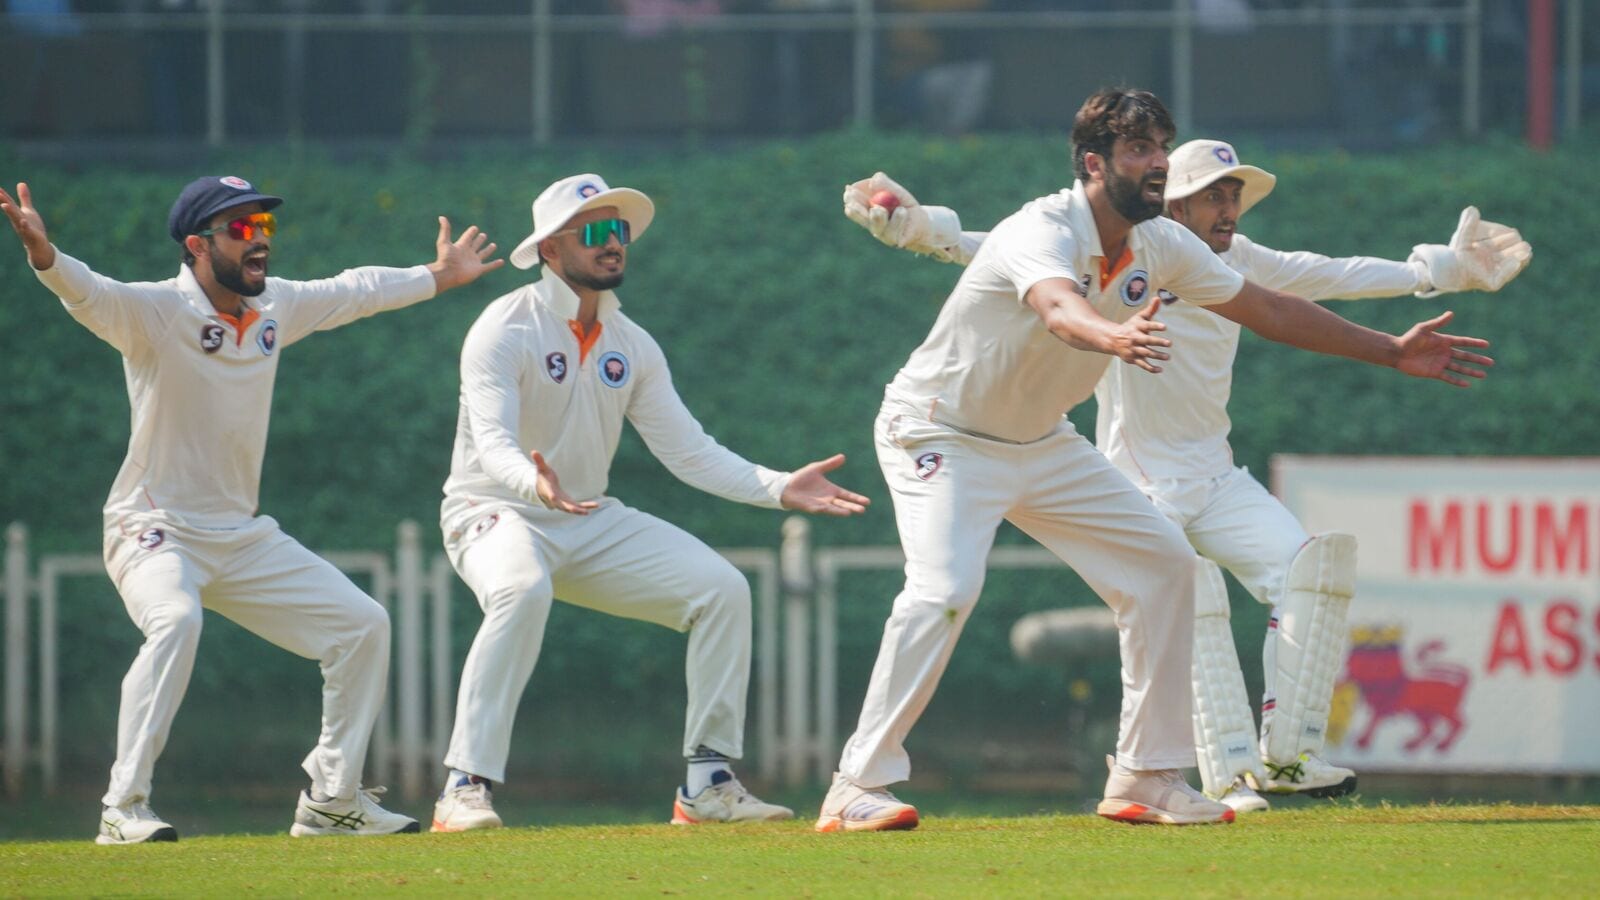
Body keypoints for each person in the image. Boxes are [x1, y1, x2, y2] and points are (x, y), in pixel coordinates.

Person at [813, 87, 1496, 832]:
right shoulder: (1038, 228)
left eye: (1161, 150)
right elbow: (1056, 307)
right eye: (1138, 150)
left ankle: (1144, 774)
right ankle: (858, 784)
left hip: (1042, 441)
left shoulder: (1165, 245)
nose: (1157, 164)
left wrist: (1390, 351)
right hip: (938, 433)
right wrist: (1112, 337)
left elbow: (1270, 307)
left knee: (1166, 568)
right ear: (1092, 163)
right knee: (945, 588)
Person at [0, 176, 503, 844]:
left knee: (362, 625)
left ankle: (332, 799)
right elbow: (91, 293)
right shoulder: (156, 313)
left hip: (239, 535)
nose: (259, 240)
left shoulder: (276, 307)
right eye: (240, 229)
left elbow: (356, 291)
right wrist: (44, 254)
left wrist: (437, 276)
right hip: (152, 527)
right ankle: (123, 807)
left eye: (263, 225)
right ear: (196, 245)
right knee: (176, 620)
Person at [430, 173, 872, 832]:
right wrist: (533, 482)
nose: (616, 245)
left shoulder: (630, 344)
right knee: (521, 588)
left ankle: (708, 784)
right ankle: (463, 789)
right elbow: (491, 442)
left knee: (722, 590)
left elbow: (689, 452)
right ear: (550, 250)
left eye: (621, 232)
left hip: (586, 516)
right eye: (598, 233)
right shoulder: (504, 327)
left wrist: (779, 486)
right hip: (492, 511)